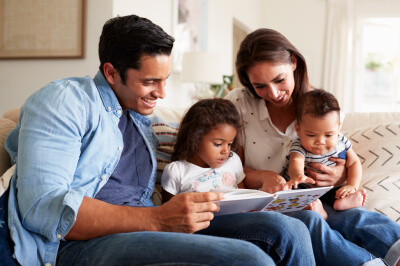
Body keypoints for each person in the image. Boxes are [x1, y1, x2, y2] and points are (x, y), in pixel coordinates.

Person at [2, 15, 316, 265]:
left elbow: (200, 141)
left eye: (165, 80)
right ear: (111, 73)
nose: (162, 93)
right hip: (78, 246)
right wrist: (157, 218)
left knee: (286, 229)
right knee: (249, 260)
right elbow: (43, 208)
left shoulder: (141, 119)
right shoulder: (64, 100)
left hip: (148, 224)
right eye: (150, 81)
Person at [225, 28, 400, 266]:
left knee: (357, 217)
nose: (274, 93)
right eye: (260, 86)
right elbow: (229, 166)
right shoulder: (239, 103)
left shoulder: (321, 106)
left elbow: (340, 156)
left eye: (279, 80)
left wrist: (340, 177)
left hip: (317, 194)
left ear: (294, 62)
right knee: (310, 221)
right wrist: (263, 176)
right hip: (268, 203)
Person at [286, 89, 367, 220]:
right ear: (298, 129)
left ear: (338, 128)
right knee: (291, 193)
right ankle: (316, 209)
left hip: (332, 188)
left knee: (341, 192)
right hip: (306, 188)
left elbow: (354, 163)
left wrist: (351, 185)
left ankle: (344, 202)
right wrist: (298, 175)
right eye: (311, 135)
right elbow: (296, 161)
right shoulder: (299, 145)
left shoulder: (341, 141)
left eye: (329, 135)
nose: (320, 141)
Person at [162, 98, 245, 203]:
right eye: (218, 144)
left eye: (230, 144)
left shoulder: (233, 161)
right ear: (194, 138)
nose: (226, 151)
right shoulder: (176, 171)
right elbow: (168, 211)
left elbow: (244, 196)